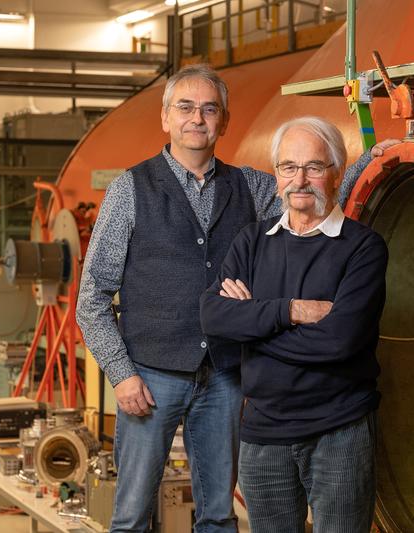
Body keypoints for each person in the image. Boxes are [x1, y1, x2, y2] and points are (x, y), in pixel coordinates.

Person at [76, 65, 393, 533]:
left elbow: (309, 192)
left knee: (219, 516)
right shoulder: (130, 190)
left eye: (210, 109)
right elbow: (92, 297)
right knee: (130, 516)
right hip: (151, 376)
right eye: (185, 108)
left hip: (226, 379)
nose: (197, 119)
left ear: (224, 121)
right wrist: (122, 374)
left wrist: (375, 161)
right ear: (165, 118)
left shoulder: (254, 185)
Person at [199, 116, 388, 533]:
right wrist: (292, 311)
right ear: (277, 175)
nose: (299, 179)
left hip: (339, 432)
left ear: (336, 173)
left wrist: (254, 325)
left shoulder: (363, 248)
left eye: (313, 168)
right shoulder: (252, 241)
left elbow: (340, 342)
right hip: (262, 434)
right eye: (288, 167)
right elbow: (213, 316)